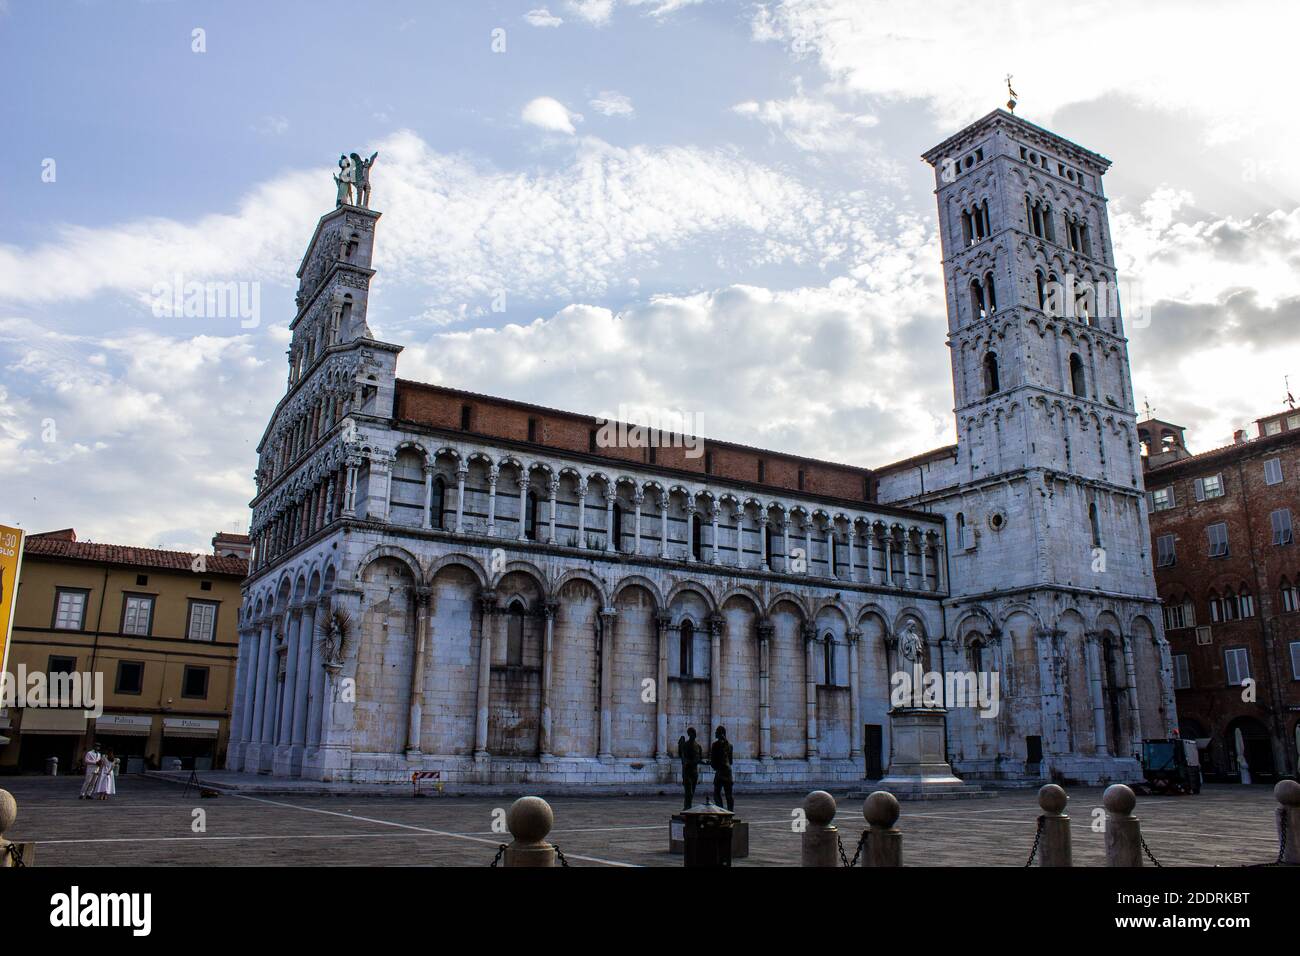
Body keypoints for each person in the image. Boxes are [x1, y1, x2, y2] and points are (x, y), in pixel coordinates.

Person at [677, 727, 703, 810]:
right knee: (689, 791)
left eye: (694, 733)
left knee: (692, 792)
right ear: (689, 734)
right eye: (691, 733)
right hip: (687, 771)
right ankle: (687, 808)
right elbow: (682, 756)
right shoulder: (685, 745)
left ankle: (688, 807)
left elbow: (699, 759)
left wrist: (707, 762)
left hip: (694, 772)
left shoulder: (698, 746)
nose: (693, 735)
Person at [710, 726, 734, 811]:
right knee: (729, 795)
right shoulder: (730, 745)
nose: (715, 733)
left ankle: (721, 812)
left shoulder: (715, 745)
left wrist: (713, 765)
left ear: (721, 733)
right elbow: (730, 761)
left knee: (716, 793)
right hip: (728, 772)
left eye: (716, 732)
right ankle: (731, 813)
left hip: (720, 771)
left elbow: (713, 761)